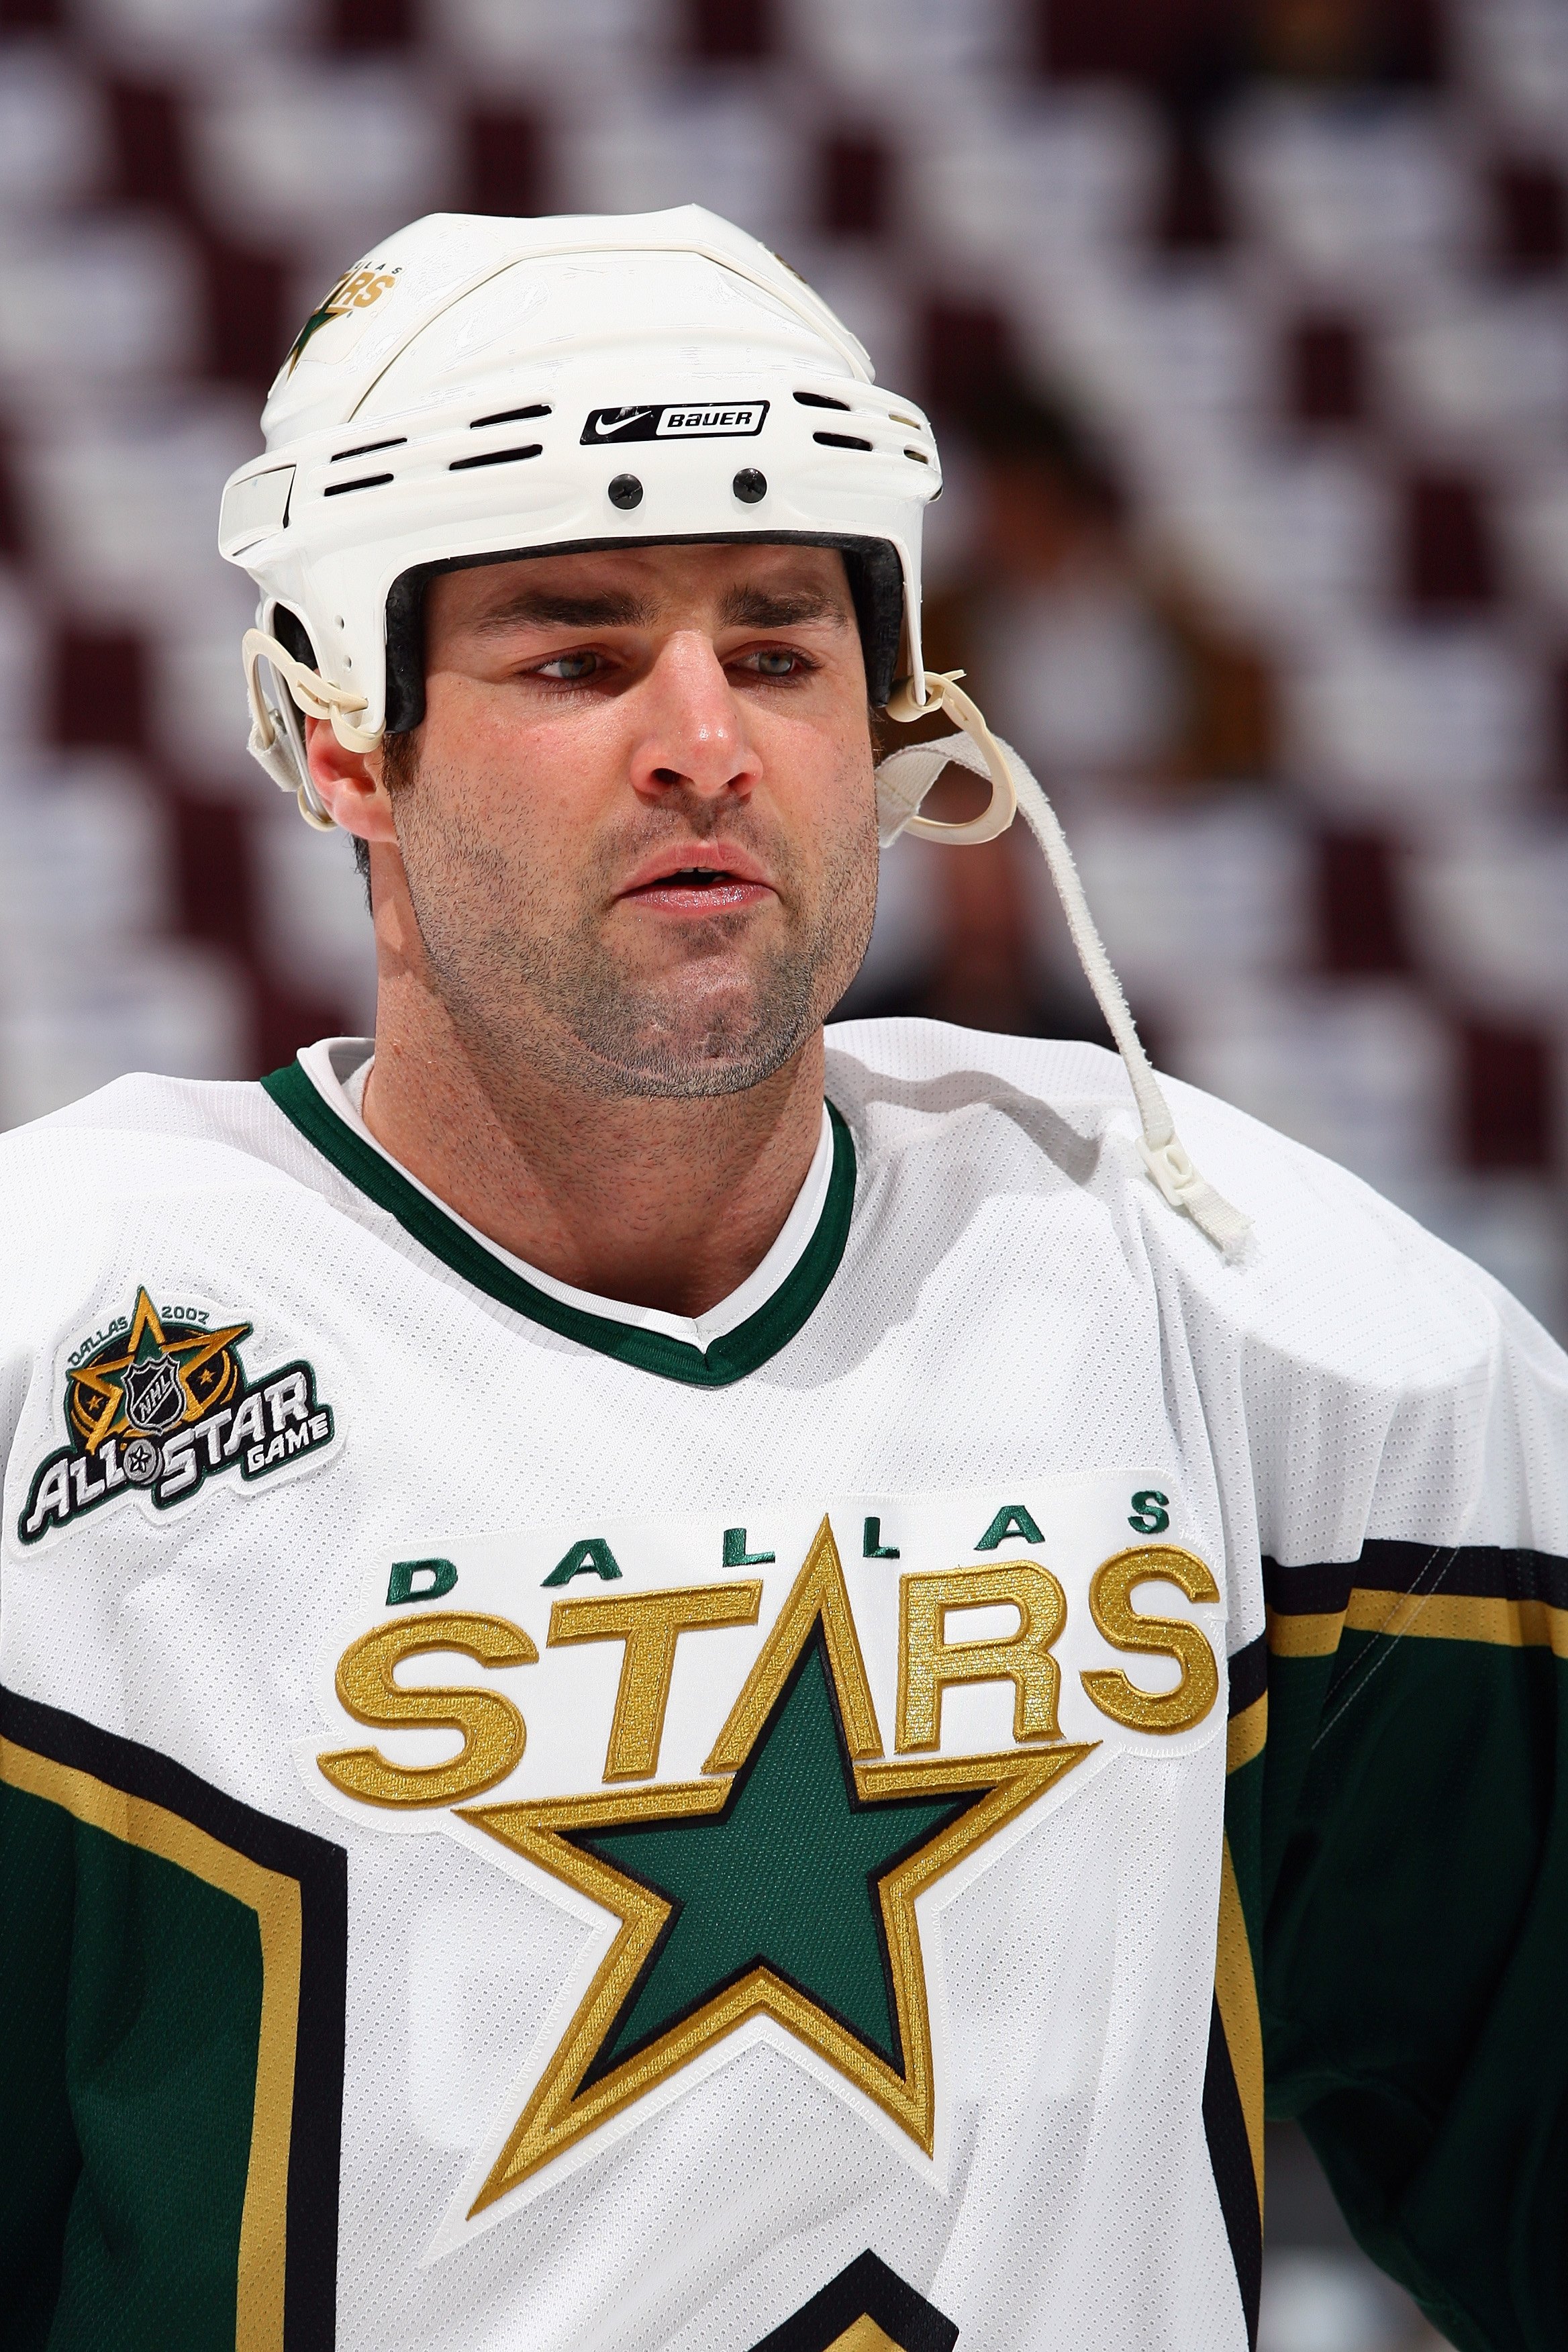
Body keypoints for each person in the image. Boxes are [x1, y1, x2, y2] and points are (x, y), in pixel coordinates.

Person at [1, 207, 1563, 2352]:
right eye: (575, 654)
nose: (705, 741)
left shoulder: (1235, 1296)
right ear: (341, 735)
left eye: (779, 645)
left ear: (899, 711)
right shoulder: (57, 1346)